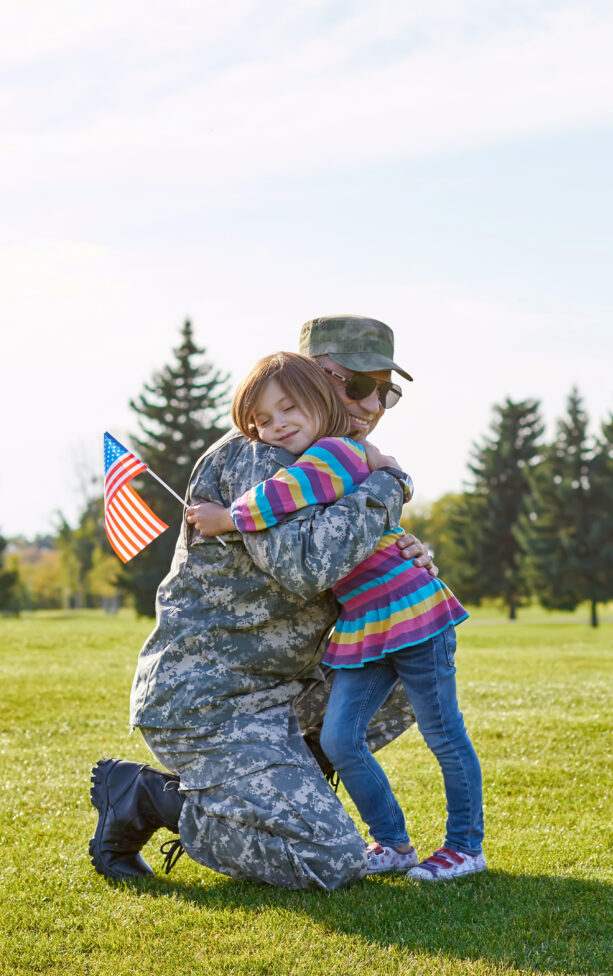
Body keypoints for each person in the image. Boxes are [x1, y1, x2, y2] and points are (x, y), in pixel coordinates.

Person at [89, 315, 432, 890]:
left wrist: (401, 560)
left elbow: (342, 567)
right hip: (212, 699)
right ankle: (146, 797)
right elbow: (308, 568)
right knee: (334, 862)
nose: (372, 405)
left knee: (407, 659)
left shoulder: (333, 463)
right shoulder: (264, 453)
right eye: (357, 385)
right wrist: (390, 485)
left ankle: (290, 796)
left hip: (279, 691)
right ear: (313, 378)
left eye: (385, 391)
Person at [191, 352, 485, 882]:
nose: (276, 426)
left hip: (411, 612)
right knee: (339, 739)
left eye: (288, 410)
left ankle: (466, 845)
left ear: (319, 403)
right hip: (368, 622)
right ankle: (393, 842)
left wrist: (224, 519)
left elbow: (282, 498)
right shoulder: (336, 458)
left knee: (444, 732)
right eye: (263, 420)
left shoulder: (337, 453)